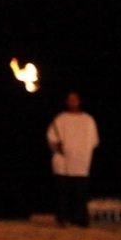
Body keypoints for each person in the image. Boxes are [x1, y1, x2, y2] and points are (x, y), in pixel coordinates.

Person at [46, 91, 100, 228]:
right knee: (62, 193)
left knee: (80, 194)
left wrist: (79, 150)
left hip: (81, 162)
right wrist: (56, 144)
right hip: (63, 162)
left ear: (79, 101)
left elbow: (93, 140)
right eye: (70, 99)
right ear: (66, 102)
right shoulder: (60, 119)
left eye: (74, 99)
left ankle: (80, 219)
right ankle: (62, 219)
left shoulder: (88, 120)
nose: (72, 101)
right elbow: (51, 136)